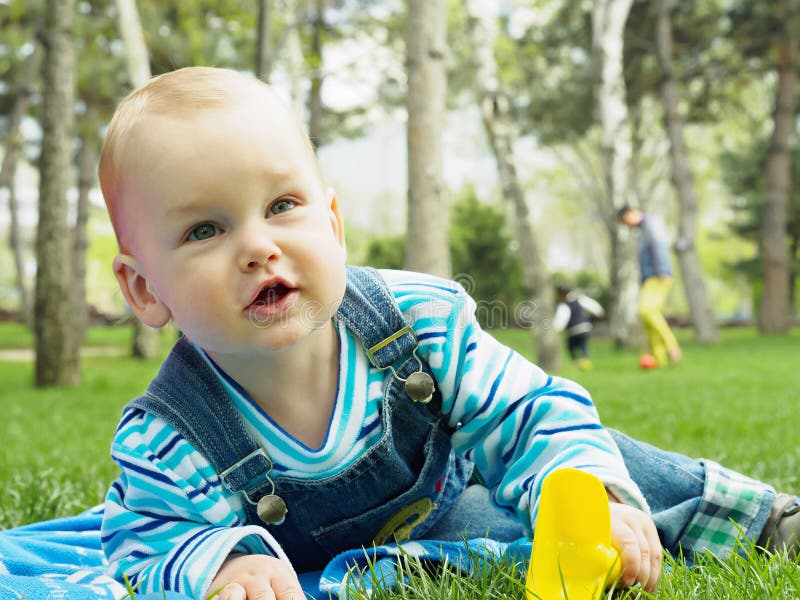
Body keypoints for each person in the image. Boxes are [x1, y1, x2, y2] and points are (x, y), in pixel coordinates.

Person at [98, 67, 799, 600]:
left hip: (459, 486)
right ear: (143, 289)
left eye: (282, 206)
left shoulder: (416, 321)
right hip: (405, 547)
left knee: (587, 467)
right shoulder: (170, 437)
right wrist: (222, 564)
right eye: (204, 230)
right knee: (497, 536)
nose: (257, 247)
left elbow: (525, 414)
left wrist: (590, 495)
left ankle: (761, 521)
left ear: (333, 226)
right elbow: (141, 546)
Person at [616, 205, 682, 367]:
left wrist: (662, 270)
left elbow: (658, 246)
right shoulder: (642, 228)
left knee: (646, 310)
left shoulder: (650, 224)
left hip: (658, 274)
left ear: (629, 214)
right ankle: (659, 359)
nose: (627, 226)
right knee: (648, 318)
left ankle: (671, 345)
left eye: (625, 222)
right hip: (650, 276)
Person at [553, 284, 605, 371]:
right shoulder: (579, 299)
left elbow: (562, 318)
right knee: (583, 346)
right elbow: (591, 305)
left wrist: (556, 330)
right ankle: (586, 363)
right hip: (585, 327)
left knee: (570, 347)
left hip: (573, 329)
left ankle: (575, 363)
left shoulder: (564, 305)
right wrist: (599, 312)